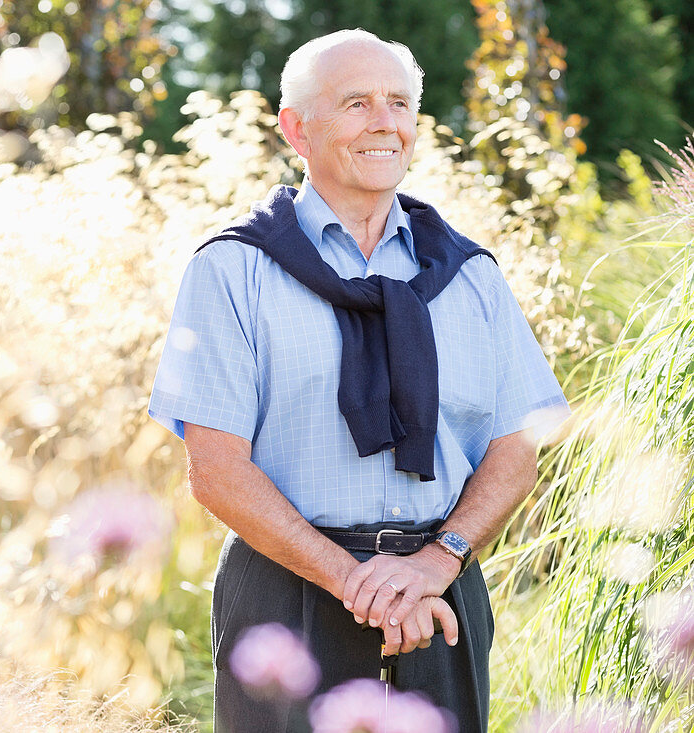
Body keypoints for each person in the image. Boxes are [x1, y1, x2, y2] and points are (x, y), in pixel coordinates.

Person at [148, 29, 570, 732]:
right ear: (296, 129)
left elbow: (516, 449)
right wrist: (354, 581)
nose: (384, 121)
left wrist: (437, 563)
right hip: (287, 600)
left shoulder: (471, 277)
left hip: (441, 598)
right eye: (356, 103)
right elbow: (217, 470)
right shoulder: (232, 270)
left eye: (399, 103)